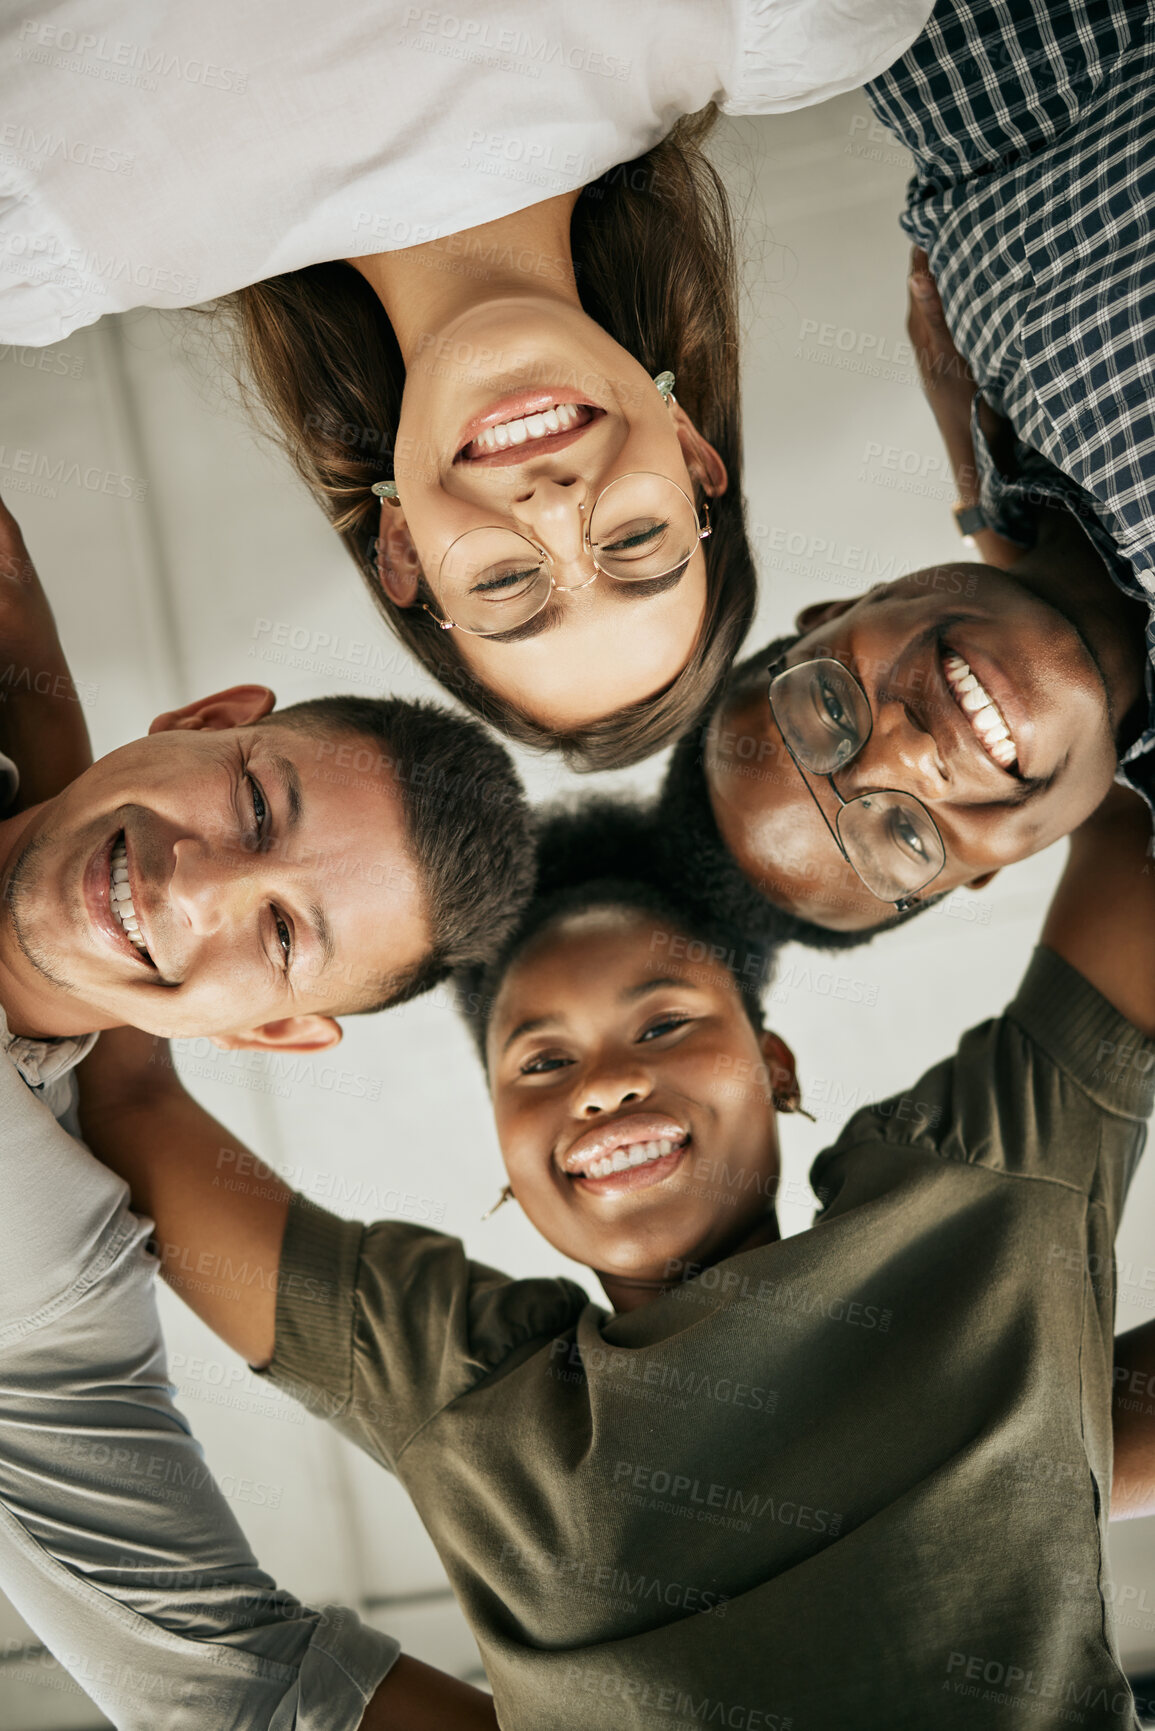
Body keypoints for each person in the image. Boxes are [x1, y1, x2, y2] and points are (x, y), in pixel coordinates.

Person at [79, 788, 1155, 1728]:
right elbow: (126, 1101)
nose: (598, 1086)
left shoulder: (971, 1198)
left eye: (660, 1025)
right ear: (503, 1139)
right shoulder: (463, 1392)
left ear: (772, 1064)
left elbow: (1122, 817)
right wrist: (108, 816)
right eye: (541, 1060)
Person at [0, 1, 934, 768]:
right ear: (692, 450)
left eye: (504, 581)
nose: (557, 509)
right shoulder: (780, 17)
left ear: (399, 542)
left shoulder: (44, 240)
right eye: (638, 538)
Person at [0, 499, 523, 1727]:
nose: (191, 889)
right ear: (205, 723)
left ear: (265, 1033)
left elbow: (247, 1692)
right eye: (256, 812)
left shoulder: (47, 1279)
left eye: (281, 935)